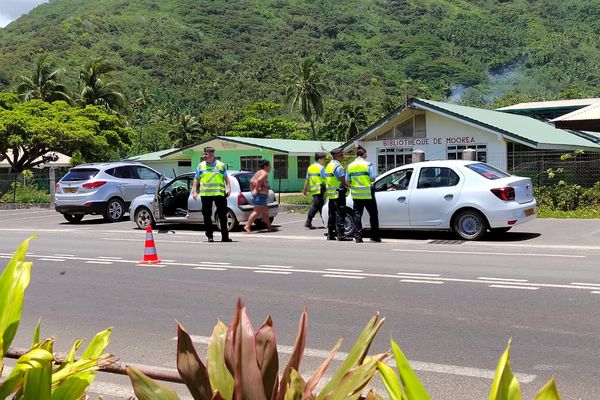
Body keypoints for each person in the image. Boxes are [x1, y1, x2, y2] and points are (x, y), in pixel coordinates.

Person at [192, 147, 232, 242]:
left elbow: (226, 178)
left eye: (206, 154)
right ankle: (210, 236)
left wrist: (229, 188)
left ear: (212, 155)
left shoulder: (220, 165)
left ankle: (225, 237)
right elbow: (196, 179)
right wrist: (194, 191)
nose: (204, 156)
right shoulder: (201, 166)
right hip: (206, 194)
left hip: (219, 193)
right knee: (206, 215)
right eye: (204, 154)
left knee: (222, 216)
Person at [347, 146, 380, 243]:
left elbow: (347, 181)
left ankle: (358, 237)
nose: (367, 155)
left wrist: (354, 186)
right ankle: (374, 236)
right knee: (373, 214)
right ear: (363, 154)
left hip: (356, 194)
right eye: (366, 154)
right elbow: (373, 179)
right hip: (367, 194)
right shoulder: (368, 165)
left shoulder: (350, 166)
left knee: (357, 215)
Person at [324, 147, 351, 241]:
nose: (342, 156)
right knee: (340, 214)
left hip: (331, 194)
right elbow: (343, 180)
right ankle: (341, 235)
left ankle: (330, 234)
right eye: (341, 154)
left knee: (331, 215)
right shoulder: (338, 167)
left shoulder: (329, 166)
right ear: (335, 155)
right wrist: (350, 186)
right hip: (339, 193)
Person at [244, 159, 276, 233]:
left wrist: (253, 190)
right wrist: (257, 190)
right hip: (260, 195)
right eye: (269, 166)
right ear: (265, 166)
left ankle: (269, 227)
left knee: (265, 212)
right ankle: (247, 226)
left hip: (260, 195)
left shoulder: (257, 172)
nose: (270, 168)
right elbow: (258, 180)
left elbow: (251, 182)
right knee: (256, 211)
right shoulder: (264, 173)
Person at [303, 152, 326, 229]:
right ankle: (308, 221)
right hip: (320, 188)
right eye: (323, 159)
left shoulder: (310, 168)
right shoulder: (321, 168)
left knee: (320, 206)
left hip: (314, 190)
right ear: (319, 159)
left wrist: (305, 190)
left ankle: (325, 221)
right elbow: (325, 179)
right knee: (316, 206)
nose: (324, 160)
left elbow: (307, 179)